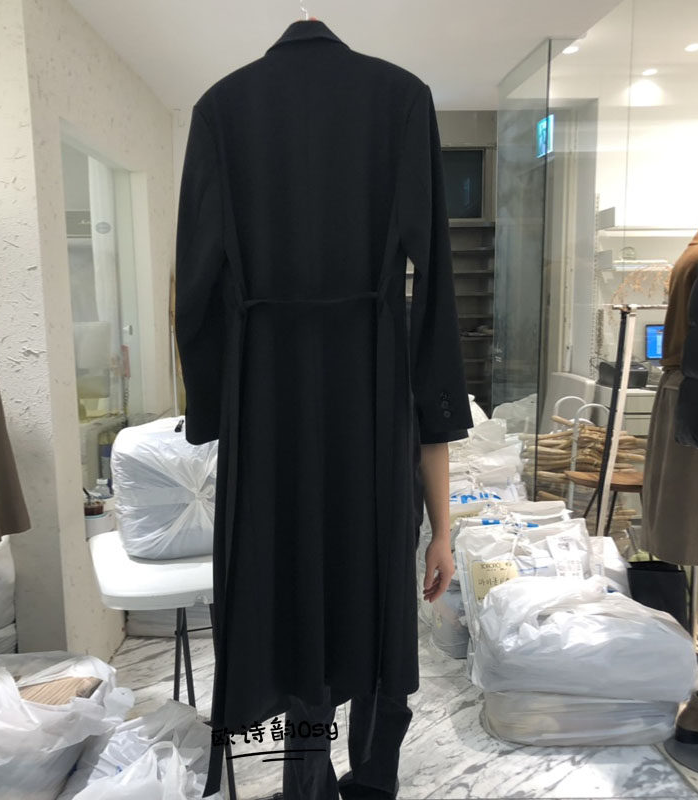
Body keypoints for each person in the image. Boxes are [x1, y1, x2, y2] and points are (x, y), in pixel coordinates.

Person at [175, 19, 472, 799]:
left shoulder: (221, 109)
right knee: (376, 605)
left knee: (287, 606)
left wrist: (214, 409)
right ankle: (373, 781)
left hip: (265, 403)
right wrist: (441, 497)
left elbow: (194, 286)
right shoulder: (401, 99)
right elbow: (435, 280)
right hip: (370, 392)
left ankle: (303, 783)